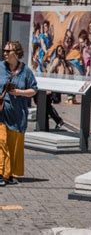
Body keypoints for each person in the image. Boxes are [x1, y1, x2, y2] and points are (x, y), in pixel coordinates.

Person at [0, 41, 38, 186]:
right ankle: (1, 173)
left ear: (16, 53)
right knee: (1, 143)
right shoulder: (0, 67)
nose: (5, 53)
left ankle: (8, 174)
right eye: (4, 50)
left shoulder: (26, 71)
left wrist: (19, 92)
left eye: (7, 51)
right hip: (2, 113)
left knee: (13, 146)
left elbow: (34, 90)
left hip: (17, 115)